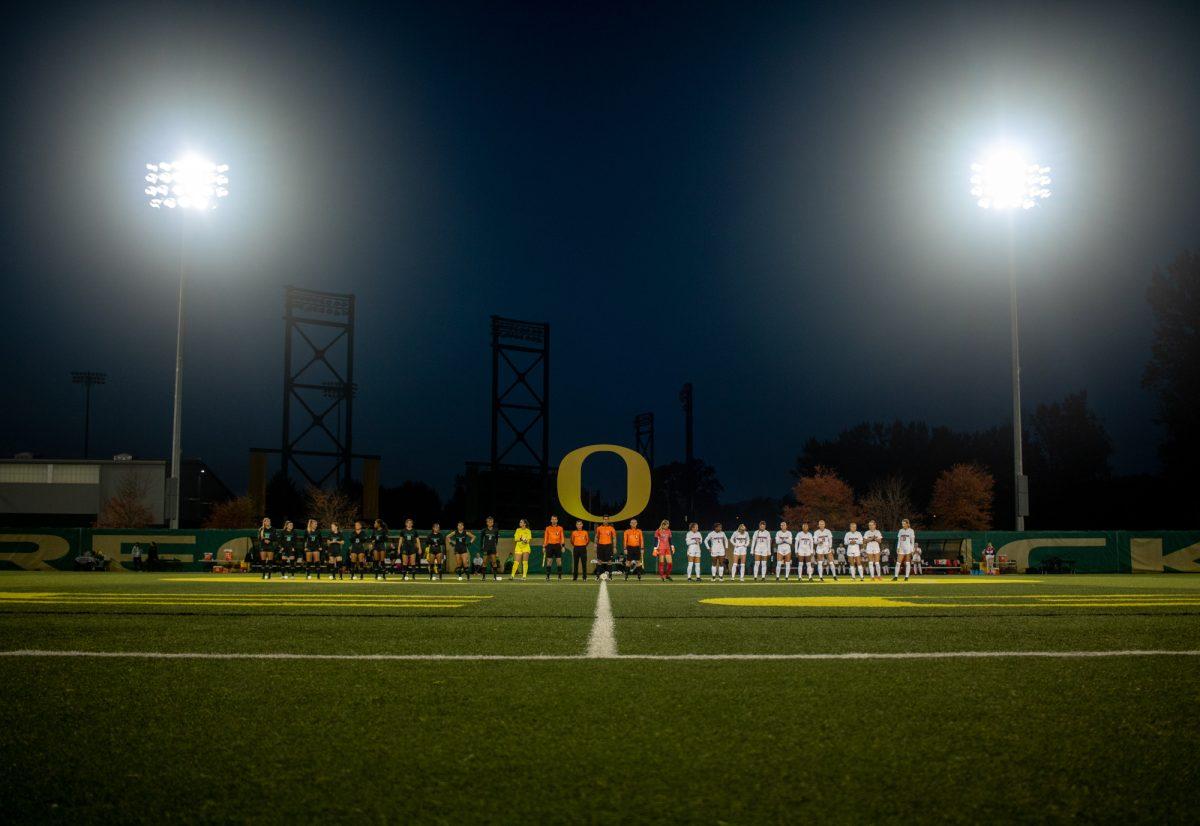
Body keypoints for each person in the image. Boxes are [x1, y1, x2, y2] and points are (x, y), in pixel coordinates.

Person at [543, 516, 565, 580]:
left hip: (558, 546)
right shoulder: (548, 528)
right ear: (551, 520)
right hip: (549, 546)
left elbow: (562, 538)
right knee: (549, 561)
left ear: (557, 520)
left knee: (559, 561)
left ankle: (560, 576)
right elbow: (546, 538)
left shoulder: (560, 528)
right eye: (552, 519)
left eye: (555, 519)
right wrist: (544, 546)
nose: (554, 520)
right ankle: (548, 576)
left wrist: (563, 546)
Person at [480, 517, 502, 581]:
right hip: (486, 548)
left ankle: (495, 577)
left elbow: (496, 540)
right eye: (489, 522)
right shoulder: (484, 530)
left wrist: (495, 547)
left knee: (494, 562)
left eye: (491, 522)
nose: (490, 523)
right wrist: (481, 547)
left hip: (493, 548)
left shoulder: (496, 530)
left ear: (493, 522)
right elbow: (481, 540)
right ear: (487, 523)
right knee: (484, 562)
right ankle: (483, 577)